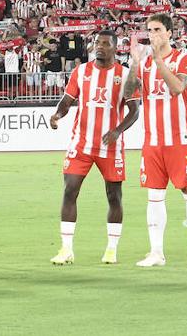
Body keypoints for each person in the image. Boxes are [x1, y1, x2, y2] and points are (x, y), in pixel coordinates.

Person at [122, 14, 187, 267]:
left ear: (170, 33)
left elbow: (177, 88)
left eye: (158, 29)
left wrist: (159, 63)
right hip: (153, 140)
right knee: (154, 194)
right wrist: (135, 66)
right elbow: (128, 94)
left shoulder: (184, 58)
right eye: (149, 30)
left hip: (179, 139)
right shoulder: (145, 62)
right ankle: (156, 252)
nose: (153, 34)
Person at [48, 31, 140, 265]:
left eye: (105, 44)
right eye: (97, 43)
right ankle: (66, 248)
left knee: (114, 196)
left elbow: (134, 111)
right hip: (82, 144)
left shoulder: (124, 75)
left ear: (115, 48)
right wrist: (58, 114)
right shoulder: (81, 72)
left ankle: (111, 249)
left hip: (110, 146)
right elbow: (67, 100)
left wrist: (118, 130)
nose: (99, 47)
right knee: (70, 190)